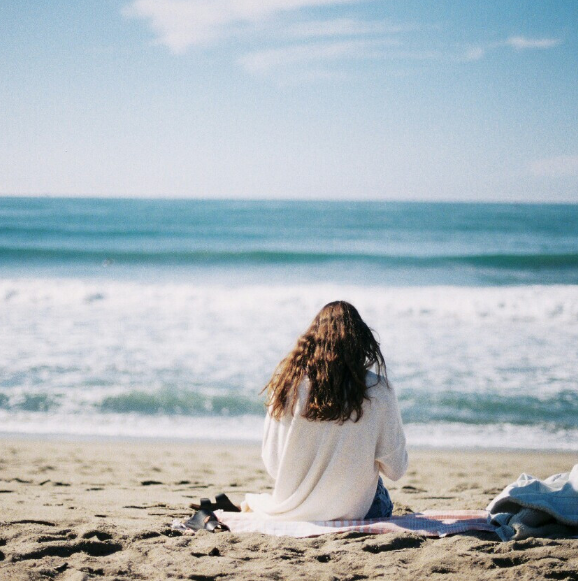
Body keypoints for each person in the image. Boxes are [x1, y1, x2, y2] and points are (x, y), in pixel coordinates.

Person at [243, 301, 408, 521]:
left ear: (312, 340)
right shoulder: (378, 390)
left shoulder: (287, 385)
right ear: (361, 342)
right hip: (356, 511)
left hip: (294, 506)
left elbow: (273, 464)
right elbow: (396, 470)